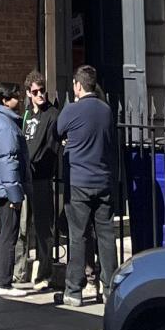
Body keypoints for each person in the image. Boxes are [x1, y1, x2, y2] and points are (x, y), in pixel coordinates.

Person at [56, 63, 118, 306]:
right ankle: (110, 288)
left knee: (78, 236)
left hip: (79, 182)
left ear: (77, 86)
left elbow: (57, 131)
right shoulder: (106, 110)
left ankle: (74, 290)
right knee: (106, 236)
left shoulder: (72, 110)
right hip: (103, 180)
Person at [0, 83, 28, 292]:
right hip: (7, 187)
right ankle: (3, 280)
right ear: (5, 100)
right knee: (9, 234)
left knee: (0, 233)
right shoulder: (6, 126)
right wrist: (15, 195)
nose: (20, 99)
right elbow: (8, 160)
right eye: (15, 96)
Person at [21, 71, 60, 289]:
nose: (40, 95)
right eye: (35, 92)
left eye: (42, 90)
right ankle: (20, 270)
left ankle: (45, 273)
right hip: (25, 177)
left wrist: (36, 161)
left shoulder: (52, 114)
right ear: (28, 93)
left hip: (42, 177)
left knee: (44, 227)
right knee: (23, 226)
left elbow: (50, 146)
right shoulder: (27, 114)